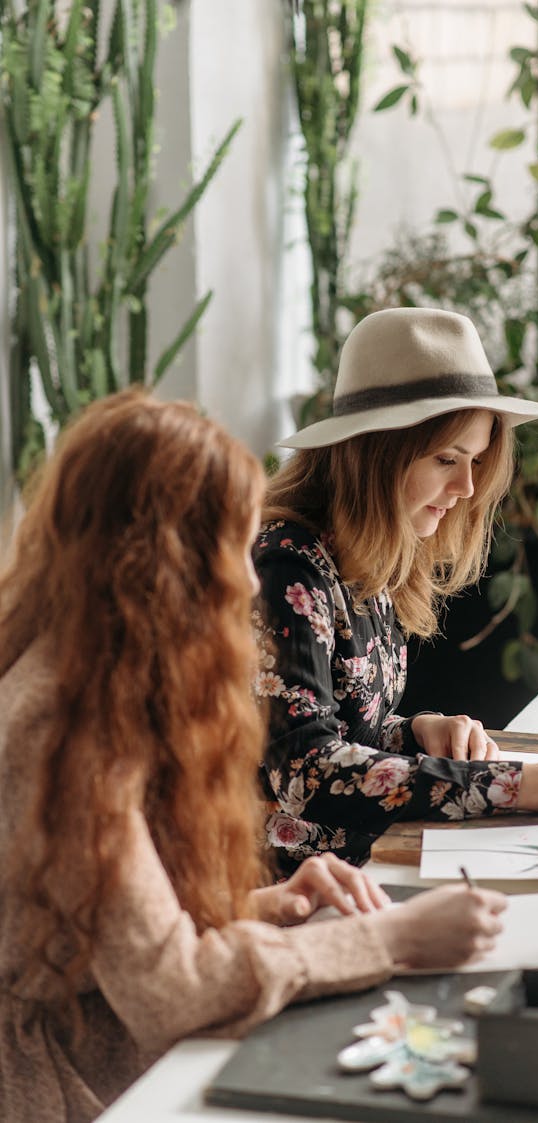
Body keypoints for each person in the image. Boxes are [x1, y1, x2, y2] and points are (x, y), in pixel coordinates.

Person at [0, 388, 508, 1123]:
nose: (244, 580)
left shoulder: (77, 675)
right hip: (76, 1091)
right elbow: (171, 990)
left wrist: (259, 907)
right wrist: (388, 937)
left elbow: (110, 934)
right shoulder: (68, 729)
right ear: (160, 563)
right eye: (229, 552)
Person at [254, 307, 538, 866]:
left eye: (476, 460)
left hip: (361, 865)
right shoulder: (287, 567)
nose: (466, 486)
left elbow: (338, 723)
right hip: (289, 894)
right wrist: (519, 785)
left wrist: (414, 733)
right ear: (375, 452)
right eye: (446, 459)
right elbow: (307, 774)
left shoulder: (363, 551)